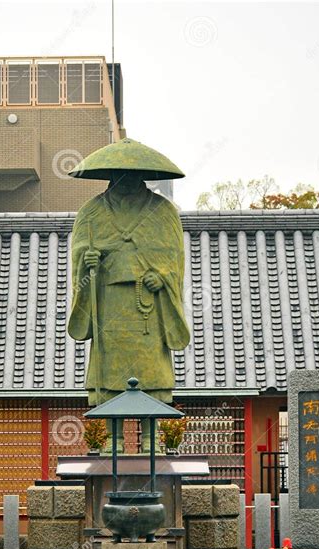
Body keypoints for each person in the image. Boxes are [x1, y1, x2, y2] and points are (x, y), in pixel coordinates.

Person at [68, 139, 190, 451]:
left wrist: (161, 277)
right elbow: (79, 254)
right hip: (108, 305)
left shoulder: (163, 212)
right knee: (111, 374)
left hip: (149, 309)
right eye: (120, 175)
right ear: (110, 175)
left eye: (132, 175)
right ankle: (113, 439)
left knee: (150, 373)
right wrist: (87, 263)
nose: (126, 181)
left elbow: (174, 259)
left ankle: (152, 440)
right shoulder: (91, 213)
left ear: (143, 177)